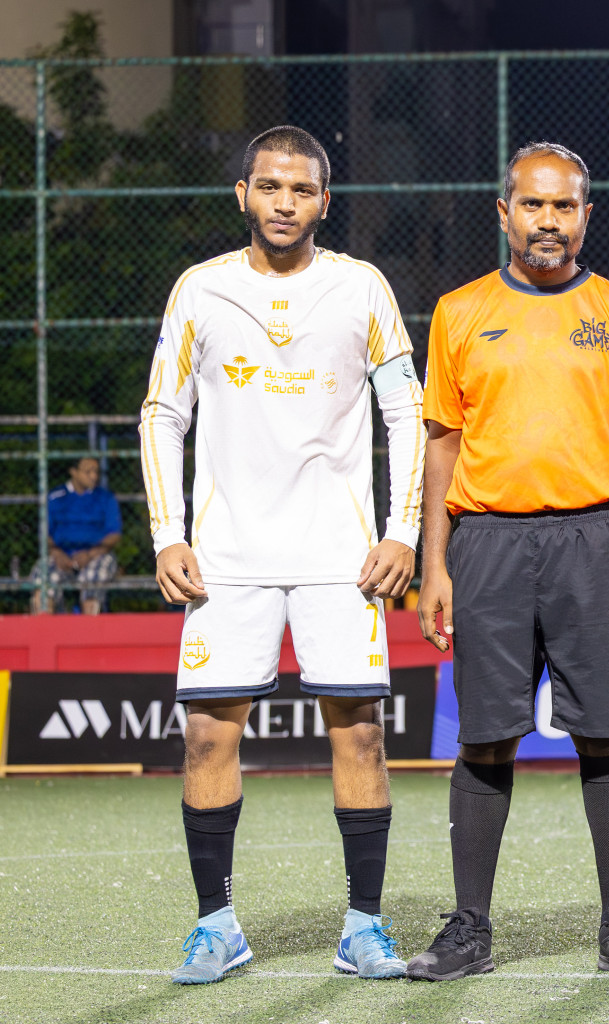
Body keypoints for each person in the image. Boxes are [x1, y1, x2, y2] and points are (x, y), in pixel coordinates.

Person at [140, 125, 425, 984]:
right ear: (244, 195)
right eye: (270, 187)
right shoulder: (201, 291)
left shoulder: (360, 288)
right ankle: (217, 926)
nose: (284, 203)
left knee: (362, 737)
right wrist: (168, 530)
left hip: (342, 556)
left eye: (301, 191)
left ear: (323, 202)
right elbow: (163, 412)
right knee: (206, 740)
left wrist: (400, 529)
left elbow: (405, 413)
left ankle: (364, 927)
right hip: (225, 557)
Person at [407, 141, 609, 982]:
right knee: (487, 740)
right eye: (533, 205)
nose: (548, 221)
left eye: (564, 207)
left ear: (585, 215)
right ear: (505, 212)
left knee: (604, 734)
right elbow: (442, 449)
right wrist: (435, 563)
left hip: (598, 543)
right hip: (487, 543)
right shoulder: (459, 311)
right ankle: (469, 930)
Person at [33, 456, 122, 614]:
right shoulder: (55, 497)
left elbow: (114, 535)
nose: (94, 476)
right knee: (42, 592)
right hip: (60, 557)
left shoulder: (106, 498)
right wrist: (57, 553)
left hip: (96, 556)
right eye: (88, 471)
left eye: (96, 471)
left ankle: (89, 637)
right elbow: (44, 533)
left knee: (91, 595)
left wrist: (90, 554)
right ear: (73, 472)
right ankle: (45, 635)